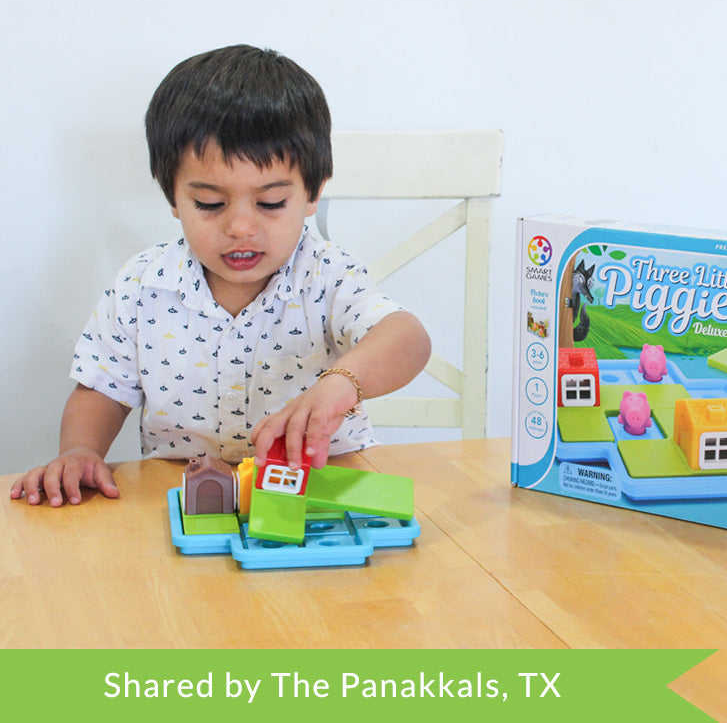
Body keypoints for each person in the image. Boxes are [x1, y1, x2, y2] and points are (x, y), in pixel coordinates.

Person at [10, 45, 431, 507]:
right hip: (188, 496)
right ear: (173, 196)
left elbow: (406, 337)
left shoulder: (327, 275)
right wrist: (79, 451)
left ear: (313, 193)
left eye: (270, 203)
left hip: (318, 493)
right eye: (210, 203)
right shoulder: (143, 284)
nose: (240, 227)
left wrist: (340, 384)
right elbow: (101, 388)